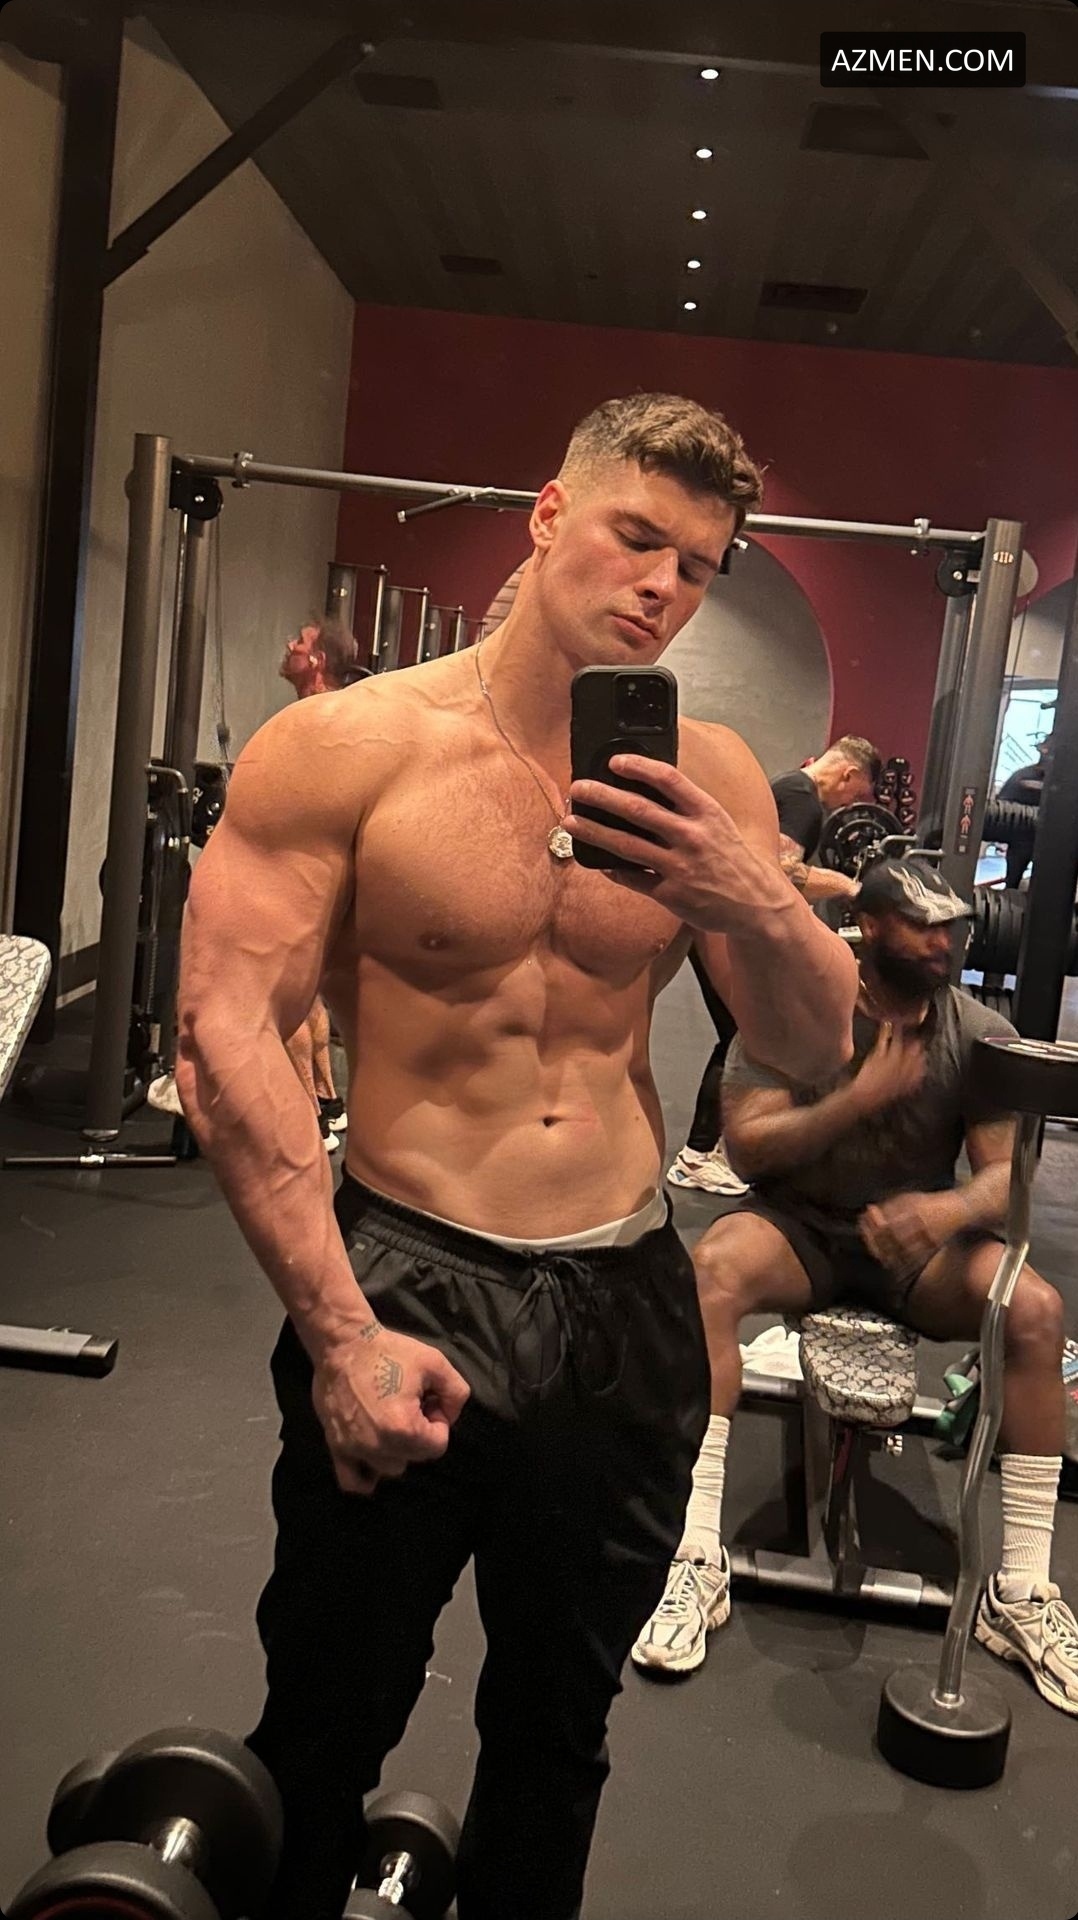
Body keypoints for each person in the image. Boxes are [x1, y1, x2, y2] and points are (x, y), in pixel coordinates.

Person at [176, 392, 859, 1920]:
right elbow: (224, 1043)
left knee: (558, 1735)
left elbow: (813, 1048)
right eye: (635, 537)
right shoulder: (346, 750)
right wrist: (338, 1335)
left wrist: (751, 891)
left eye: (697, 566)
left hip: (624, 1303)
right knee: (327, 1716)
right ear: (550, 516)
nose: (661, 586)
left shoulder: (712, 779)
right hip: (409, 1277)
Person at [633, 856, 1078, 1716]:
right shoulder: (794, 1003)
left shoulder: (976, 1032)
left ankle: (1021, 1593)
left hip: (914, 1252)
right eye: (925, 927)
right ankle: (693, 1552)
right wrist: (856, 1099)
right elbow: (746, 1149)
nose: (946, 943)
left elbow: (1005, 1179)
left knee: (1034, 1309)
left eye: (954, 928)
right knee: (710, 1272)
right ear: (870, 927)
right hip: (801, 1230)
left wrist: (944, 1211)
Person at [669, 736, 881, 1197]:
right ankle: (698, 1156)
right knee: (739, 1035)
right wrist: (848, 886)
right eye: (857, 793)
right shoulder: (803, 801)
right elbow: (780, 873)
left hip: (725, 925)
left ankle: (710, 1152)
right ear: (849, 775)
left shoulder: (788, 787)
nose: (851, 804)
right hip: (729, 930)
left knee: (740, 1034)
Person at [279, 616, 357, 1146]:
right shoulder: (336, 714)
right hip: (319, 873)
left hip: (303, 874)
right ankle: (329, 1101)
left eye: (300, 642)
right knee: (308, 996)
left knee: (282, 996)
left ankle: (308, 1119)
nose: (290, 645)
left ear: (317, 661)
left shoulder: (313, 719)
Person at [996, 731, 1054, 889]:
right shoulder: (1022, 777)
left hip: (1052, 842)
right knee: (1012, 883)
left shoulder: (1066, 784)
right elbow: (998, 809)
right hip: (1021, 840)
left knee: (1049, 887)